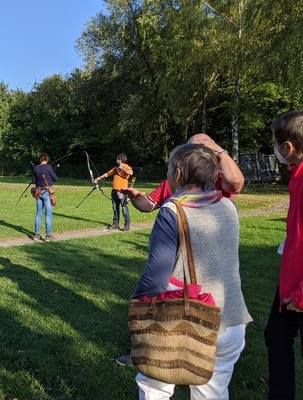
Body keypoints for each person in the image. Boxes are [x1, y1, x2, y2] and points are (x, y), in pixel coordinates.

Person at [132, 143, 252, 399]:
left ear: (177, 174)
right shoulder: (229, 207)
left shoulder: (173, 211)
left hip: (183, 318)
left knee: (155, 388)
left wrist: (137, 303)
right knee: (213, 393)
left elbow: (156, 276)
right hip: (231, 317)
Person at [264, 110, 303, 400]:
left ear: (287, 146)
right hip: (290, 283)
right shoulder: (296, 177)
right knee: (276, 338)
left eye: (276, 144)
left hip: (300, 290)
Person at [122, 133, 244, 212]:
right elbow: (147, 205)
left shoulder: (218, 178)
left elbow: (235, 182)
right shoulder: (175, 180)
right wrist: (135, 196)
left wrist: (219, 150)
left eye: (205, 147)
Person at [93, 153, 133, 231]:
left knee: (124, 208)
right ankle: (115, 224)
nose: (116, 160)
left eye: (117, 159)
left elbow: (130, 173)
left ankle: (127, 225)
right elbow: (107, 174)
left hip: (123, 192)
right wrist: (98, 179)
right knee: (115, 208)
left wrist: (122, 168)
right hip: (114, 191)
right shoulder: (115, 168)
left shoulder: (127, 167)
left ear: (121, 160)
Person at [29, 153, 58, 242]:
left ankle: (36, 234)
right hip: (46, 193)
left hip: (38, 193)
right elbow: (55, 179)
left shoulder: (36, 168)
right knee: (48, 214)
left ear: (40, 160)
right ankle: (48, 235)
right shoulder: (49, 167)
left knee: (39, 213)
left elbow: (34, 181)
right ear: (47, 160)